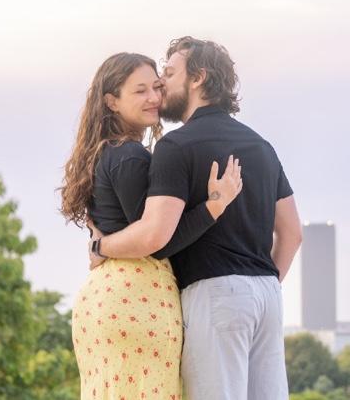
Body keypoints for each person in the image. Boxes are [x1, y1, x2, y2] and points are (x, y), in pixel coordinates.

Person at [90, 36, 303, 400]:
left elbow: (155, 238)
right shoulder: (261, 146)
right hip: (268, 296)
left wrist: (101, 245)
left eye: (170, 74)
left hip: (215, 293)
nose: (161, 85)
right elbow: (292, 233)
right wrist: (261, 284)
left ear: (198, 77)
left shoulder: (176, 147)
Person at [60, 51, 243, 400]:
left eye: (157, 87)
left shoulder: (104, 153)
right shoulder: (131, 156)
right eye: (140, 90)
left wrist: (100, 246)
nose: (154, 98)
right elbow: (157, 240)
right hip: (138, 299)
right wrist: (214, 206)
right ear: (111, 101)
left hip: (103, 298)